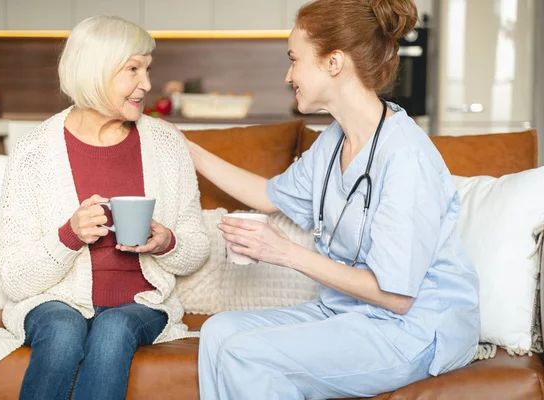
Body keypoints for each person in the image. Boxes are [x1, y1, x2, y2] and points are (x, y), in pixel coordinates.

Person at [179, 0, 480, 398]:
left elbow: (396, 296)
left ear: (334, 62)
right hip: (348, 312)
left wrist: (285, 252)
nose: (288, 75)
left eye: (294, 59)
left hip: (412, 329)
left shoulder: (406, 157)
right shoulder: (333, 143)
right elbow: (268, 196)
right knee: (219, 331)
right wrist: (185, 147)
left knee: (247, 354)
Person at [0, 16, 210, 400]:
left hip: (141, 303)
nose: (146, 84)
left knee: (113, 330)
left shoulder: (165, 144)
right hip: (53, 301)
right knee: (62, 329)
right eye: (133, 70)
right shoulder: (35, 150)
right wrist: (69, 236)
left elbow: (196, 247)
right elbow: (13, 279)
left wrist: (165, 242)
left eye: (148, 69)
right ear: (96, 73)